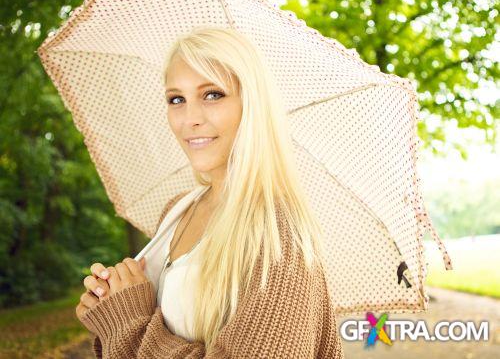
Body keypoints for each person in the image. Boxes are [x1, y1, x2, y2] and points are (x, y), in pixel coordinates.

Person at [75, 26, 345, 358]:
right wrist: (110, 309)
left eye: (212, 95)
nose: (190, 119)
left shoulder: (278, 234)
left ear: (251, 105)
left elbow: (138, 326)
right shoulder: (177, 210)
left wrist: (128, 319)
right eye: (177, 99)